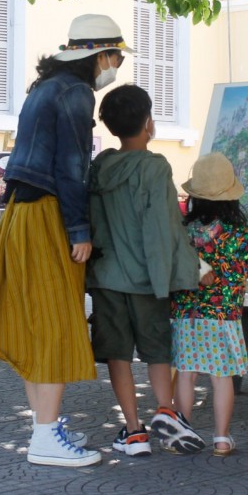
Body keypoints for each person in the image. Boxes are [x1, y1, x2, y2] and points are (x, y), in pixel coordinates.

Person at [0, 13, 131, 468]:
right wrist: (79, 230)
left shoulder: (46, 86)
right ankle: (44, 438)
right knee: (54, 323)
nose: (117, 66)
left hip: (20, 215)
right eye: (116, 57)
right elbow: (71, 167)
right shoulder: (76, 92)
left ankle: (44, 426)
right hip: (46, 215)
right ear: (99, 55)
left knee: (34, 323)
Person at [88, 84, 204, 457]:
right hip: (148, 280)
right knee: (158, 351)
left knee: (117, 354)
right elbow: (165, 227)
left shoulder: (100, 167)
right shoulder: (155, 168)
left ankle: (134, 431)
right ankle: (167, 411)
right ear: (149, 124)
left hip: (107, 277)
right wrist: (188, 272)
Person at [174, 152, 248, 456]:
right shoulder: (237, 236)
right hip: (223, 317)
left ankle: (181, 431)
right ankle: (222, 438)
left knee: (186, 373)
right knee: (221, 376)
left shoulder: (183, 231)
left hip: (186, 315)